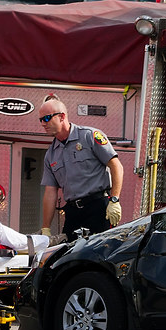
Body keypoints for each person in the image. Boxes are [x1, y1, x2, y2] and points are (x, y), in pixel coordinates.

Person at [38, 94, 123, 239]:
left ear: (62, 117)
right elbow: (50, 191)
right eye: (41, 120)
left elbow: (116, 166)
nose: (43, 124)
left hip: (98, 208)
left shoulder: (89, 136)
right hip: (73, 212)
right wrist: (45, 228)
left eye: (47, 118)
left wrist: (114, 200)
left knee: (97, 256)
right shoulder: (51, 154)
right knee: (70, 257)